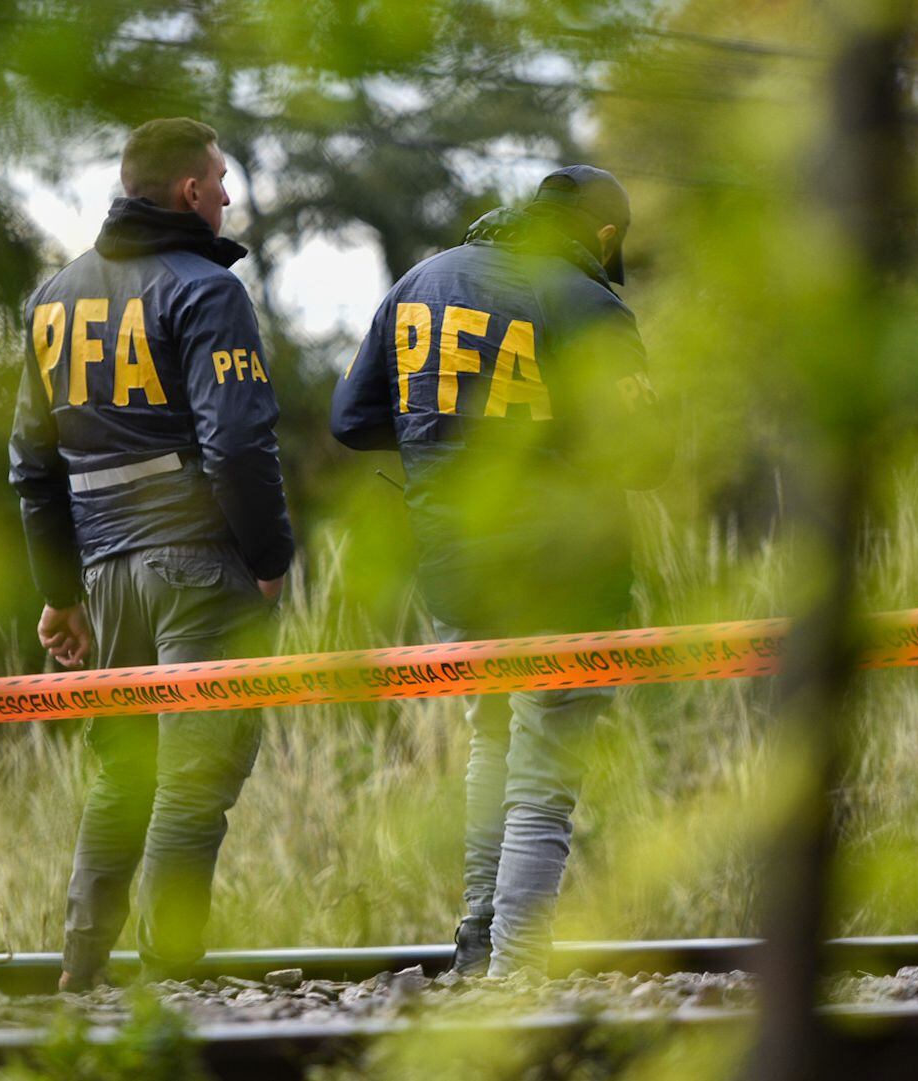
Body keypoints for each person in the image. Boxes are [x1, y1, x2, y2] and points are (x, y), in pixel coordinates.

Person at [331, 165, 660, 977]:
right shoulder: (587, 300)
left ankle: (476, 940)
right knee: (545, 769)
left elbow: (351, 419)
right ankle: (518, 969)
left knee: (491, 736)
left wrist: (440, 437)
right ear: (604, 235)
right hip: (562, 567)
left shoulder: (424, 279)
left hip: (452, 563)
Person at [9, 117, 294, 991]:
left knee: (125, 775)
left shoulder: (53, 298)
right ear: (189, 192)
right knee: (193, 777)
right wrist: (270, 553)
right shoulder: (206, 291)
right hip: (200, 569)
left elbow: (31, 461)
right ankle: (173, 981)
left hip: (106, 575)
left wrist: (61, 592)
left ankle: (82, 976)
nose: (229, 195)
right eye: (220, 178)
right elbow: (239, 444)